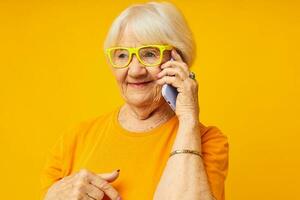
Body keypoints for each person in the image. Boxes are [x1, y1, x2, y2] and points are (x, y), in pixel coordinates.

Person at [41, 1, 229, 200]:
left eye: (149, 54)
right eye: (122, 55)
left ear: (178, 62)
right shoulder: (73, 140)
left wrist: (188, 117)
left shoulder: (207, 141)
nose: (135, 71)